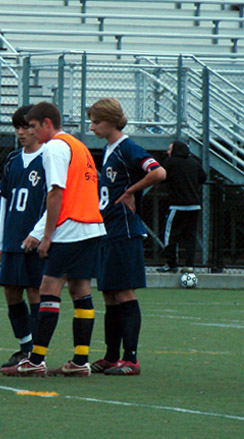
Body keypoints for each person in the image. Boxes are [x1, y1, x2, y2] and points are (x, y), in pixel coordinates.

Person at [4, 101, 105, 377]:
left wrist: (44, 236)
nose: (32, 132)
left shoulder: (54, 148)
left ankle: (35, 360)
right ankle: (80, 361)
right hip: (92, 226)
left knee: (48, 290)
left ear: (47, 123)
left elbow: (56, 193)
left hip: (70, 229)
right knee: (80, 291)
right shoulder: (78, 145)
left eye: (34, 126)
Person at [88, 98, 166, 376]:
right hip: (108, 230)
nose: (92, 126)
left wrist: (132, 190)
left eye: (96, 121)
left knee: (123, 292)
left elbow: (158, 171)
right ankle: (111, 356)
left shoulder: (127, 148)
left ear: (110, 121)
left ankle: (130, 358)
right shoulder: (110, 149)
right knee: (109, 294)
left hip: (124, 230)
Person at [0, 105, 46, 375]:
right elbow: (4, 201)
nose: (22, 132)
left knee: (35, 290)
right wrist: (1, 241)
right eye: (18, 127)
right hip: (14, 238)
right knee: (10, 291)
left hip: (36, 239)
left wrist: (39, 234)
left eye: (27, 126)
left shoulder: (49, 157)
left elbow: (54, 201)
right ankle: (25, 346)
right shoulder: (13, 159)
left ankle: (37, 353)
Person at [156, 140, 207, 274]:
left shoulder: (170, 163)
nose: (167, 152)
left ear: (175, 150)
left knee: (170, 235)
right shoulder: (194, 162)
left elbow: (162, 176)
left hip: (178, 206)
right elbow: (203, 177)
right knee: (190, 236)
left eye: (169, 149)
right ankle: (189, 265)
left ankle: (171, 264)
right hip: (194, 206)